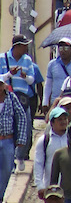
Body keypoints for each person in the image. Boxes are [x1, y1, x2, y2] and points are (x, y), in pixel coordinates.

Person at [0, 34, 37, 167]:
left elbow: (32, 79)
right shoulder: (2, 58)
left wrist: (25, 76)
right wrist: (10, 74)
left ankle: (20, 155)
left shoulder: (27, 60)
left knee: (25, 126)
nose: (27, 47)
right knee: (8, 128)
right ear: (18, 46)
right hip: (6, 97)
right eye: (25, 45)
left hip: (22, 98)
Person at [0, 73, 29, 199]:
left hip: (7, 140)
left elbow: (21, 116)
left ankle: (0, 194)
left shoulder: (11, 98)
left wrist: (21, 138)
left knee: (7, 170)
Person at [33, 106, 69, 195]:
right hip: (50, 186)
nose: (63, 122)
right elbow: (38, 163)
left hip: (70, 186)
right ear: (52, 122)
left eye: (65, 119)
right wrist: (40, 186)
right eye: (60, 119)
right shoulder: (44, 140)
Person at [43, 39, 71, 110]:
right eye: (61, 48)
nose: (63, 51)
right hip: (56, 102)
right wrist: (45, 102)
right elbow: (48, 84)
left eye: (66, 48)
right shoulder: (52, 64)